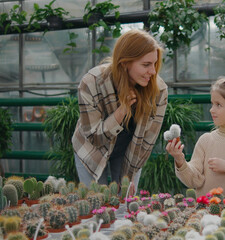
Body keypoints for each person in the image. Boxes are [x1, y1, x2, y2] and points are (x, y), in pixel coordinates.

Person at [72, 29, 168, 190]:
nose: (152, 71)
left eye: (154, 64)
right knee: (95, 205)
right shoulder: (92, 82)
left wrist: (128, 181)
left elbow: (147, 141)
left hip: (129, 151)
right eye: (146, 65)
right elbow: (94, 137)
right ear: (124, 63)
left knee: (126, 204)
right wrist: (121, 111)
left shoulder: (159, 91)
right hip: (91, 149)